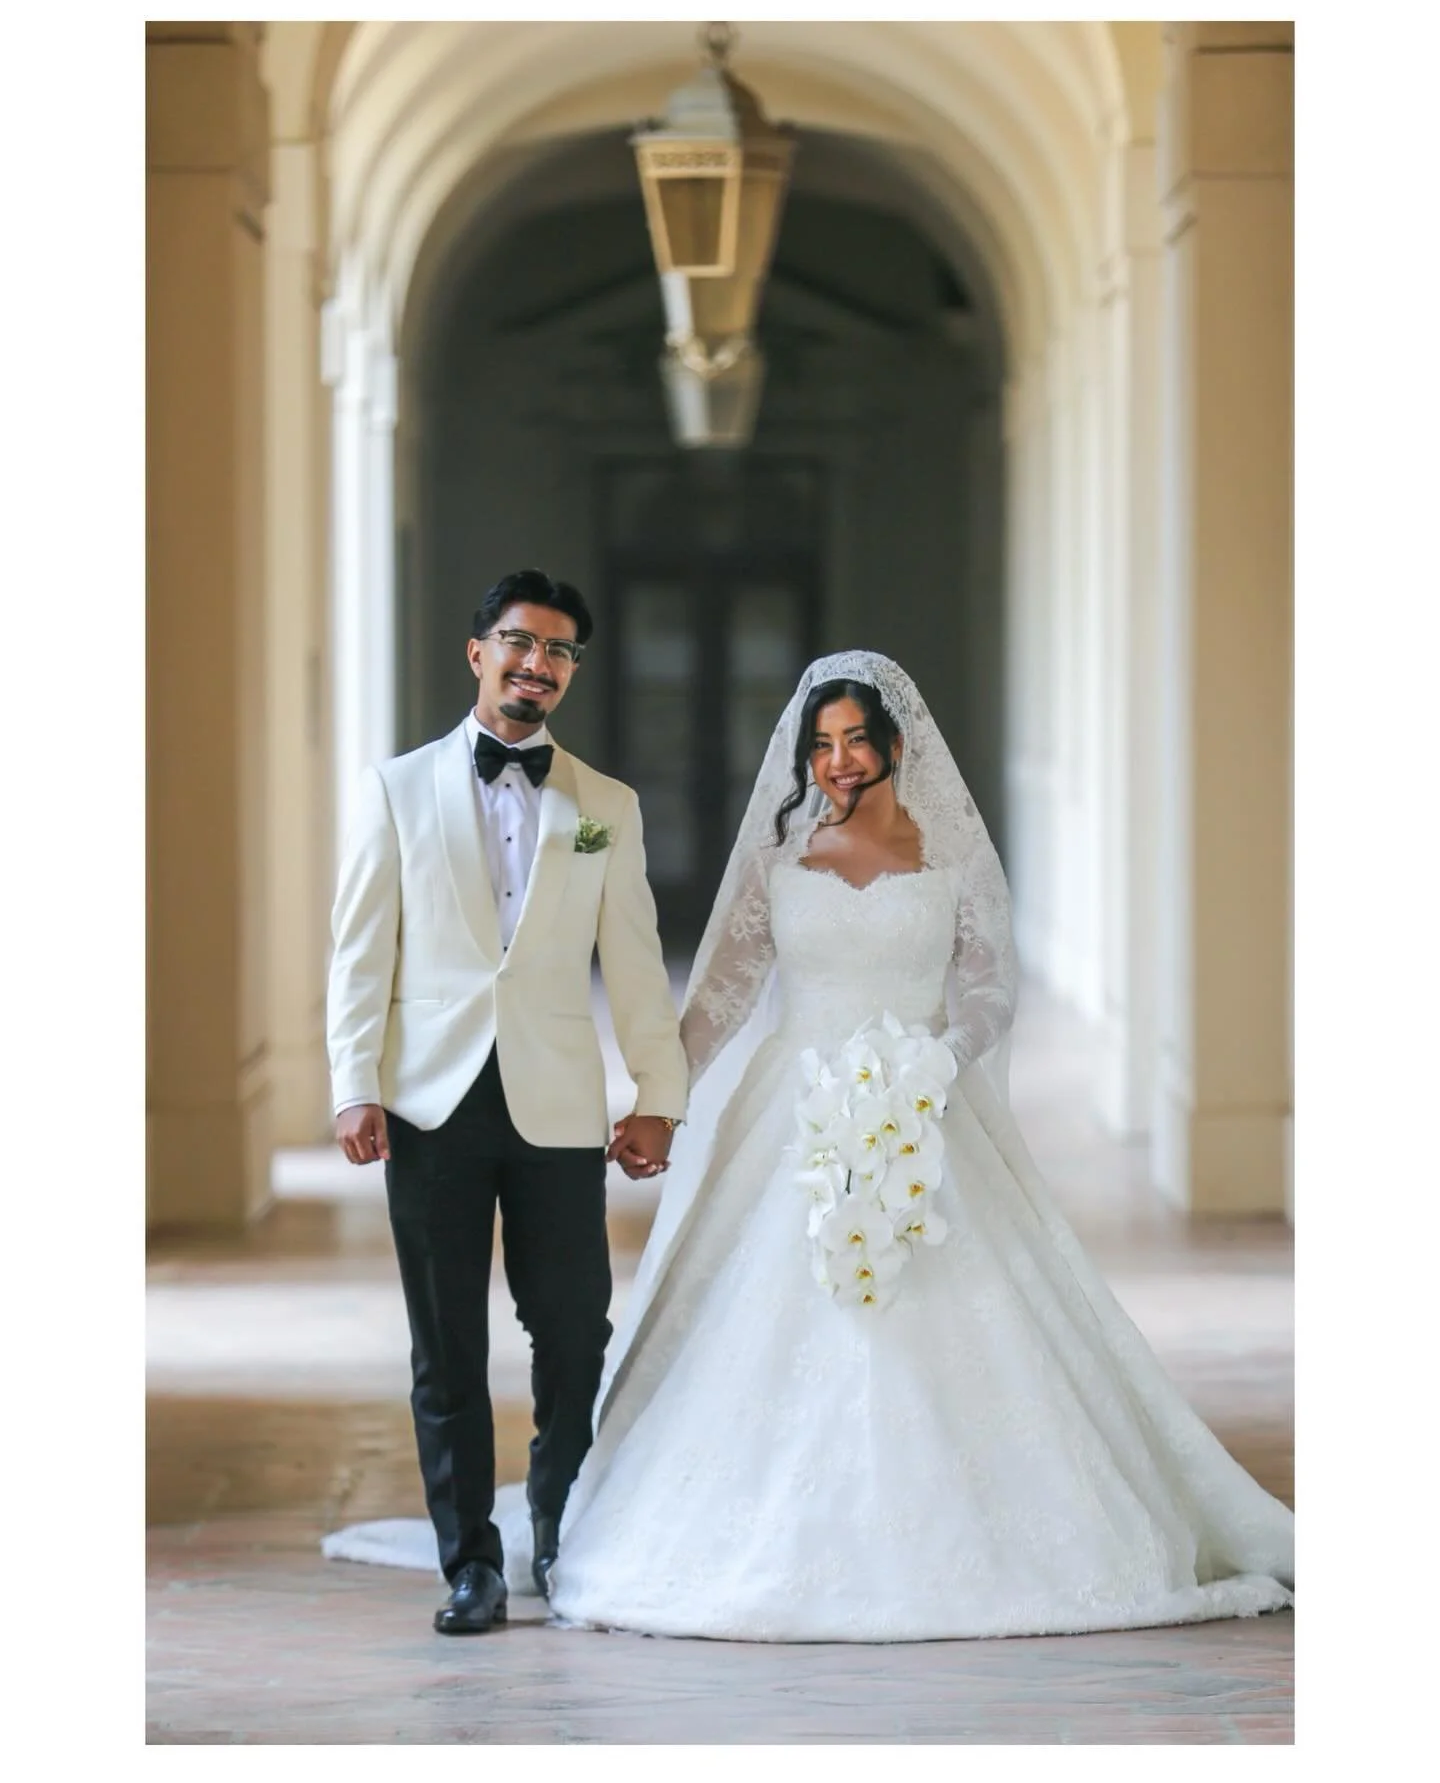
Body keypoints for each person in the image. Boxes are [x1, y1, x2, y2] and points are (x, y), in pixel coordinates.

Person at [326, 651, 1295, 1643]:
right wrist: (663, 1096)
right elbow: (727, 990)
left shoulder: (951, 854)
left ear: (894, 746)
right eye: (820, 744)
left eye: (854, 741)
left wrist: (936, 1065)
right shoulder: (783, 854)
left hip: (926, 1108)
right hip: (792, 1116)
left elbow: (988, 986)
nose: (835, 761)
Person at [324, 568, 688, 1635]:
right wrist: (355, 1083)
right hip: (430, 1104)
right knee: (446, 1345)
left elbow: (632, 960)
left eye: (561, 651)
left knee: (574, 1331)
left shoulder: (604, 807)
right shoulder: (396, 789)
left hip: (558, 1108)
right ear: (478, 650)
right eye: (521, 643)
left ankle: (560, 1529)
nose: (539, 664)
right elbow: (360, 953)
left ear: (572, 672)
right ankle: (470, 1564)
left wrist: (657, 1093)